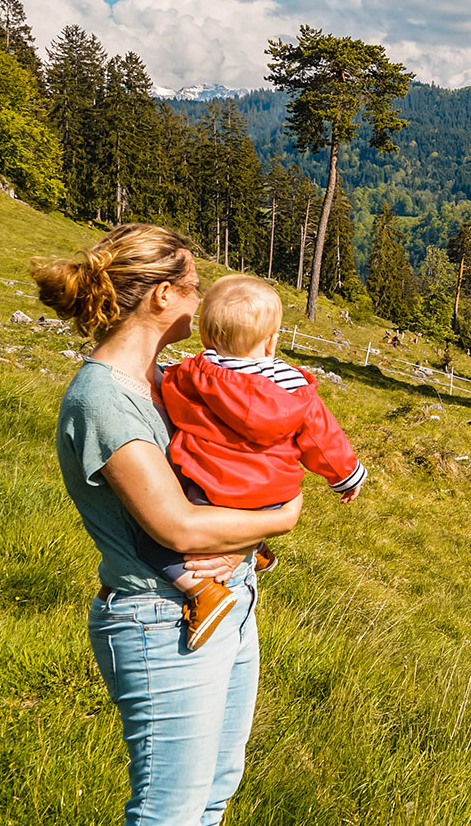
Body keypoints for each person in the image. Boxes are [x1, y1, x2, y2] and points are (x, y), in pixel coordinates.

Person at [32, 224, 302, 826]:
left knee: (212, 791)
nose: (201, 302)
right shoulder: (104, 399)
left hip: (225, 603)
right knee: (166, 821)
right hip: (161, 621)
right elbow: (175, 525)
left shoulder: (166, 380)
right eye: (193, 288)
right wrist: (282, 516)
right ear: (159, 298)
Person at [141, 274, 365, 650]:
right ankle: (255, 546)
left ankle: (202, 592)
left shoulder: (189, 376)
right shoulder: (294, 387)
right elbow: (324, 440)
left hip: (213, 494)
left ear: (207, 338)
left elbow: (168, 398)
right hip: (273, 495)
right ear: (272, 340)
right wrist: (346, 477)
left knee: (151, 541)